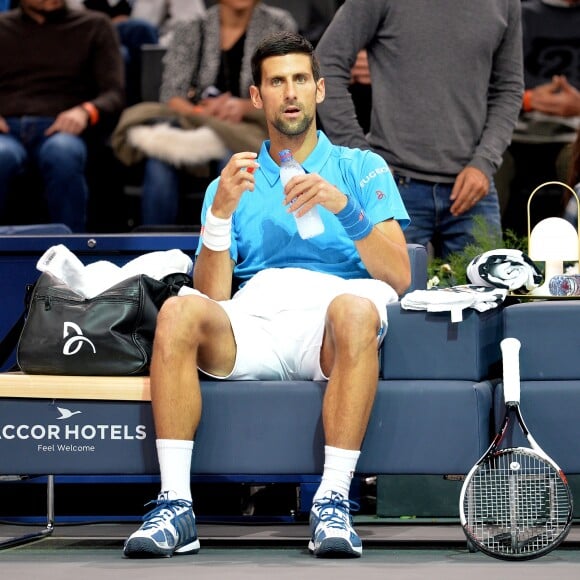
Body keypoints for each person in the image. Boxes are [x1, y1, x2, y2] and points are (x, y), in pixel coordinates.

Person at [123, 31, 411, 559]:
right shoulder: (232, 180)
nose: (291, 92)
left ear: (321, 89)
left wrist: (345, 208)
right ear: (257, 97)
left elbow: (398, 275)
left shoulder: (360, 167)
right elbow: (213, 297)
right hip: (254, 320)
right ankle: (175, 505)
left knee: (353, 308)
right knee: (179, 309)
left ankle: (332, 502)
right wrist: (220, 215)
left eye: (301, 79)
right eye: (277, 82)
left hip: (331, 321)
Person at [315, 0, 524, 259]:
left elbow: (509, 88)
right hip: (393, 185)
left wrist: (484, 162)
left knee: (491, 297)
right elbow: (324, 65)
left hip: (473, 187)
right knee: (390, 299)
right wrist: (364, 160)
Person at [119, 0, 298, 226]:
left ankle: (231, 246)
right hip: (195, 122)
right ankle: (155, 246)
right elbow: (172, 95)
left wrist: (242, 106)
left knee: (233, 160)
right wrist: (203, 112)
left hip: (250, 124)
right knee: (161, 158)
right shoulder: (191, 26)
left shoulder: (278, 24)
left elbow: (287, 88)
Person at [0, 0, 124, 232]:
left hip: (62, 127)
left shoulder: (94, 24)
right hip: (7, 128)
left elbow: (114, 93)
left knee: (62, 153)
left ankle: (71, 250)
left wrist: (85, 111)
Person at [500, 0, 580, 236]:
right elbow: (483, 84)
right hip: (513, 137)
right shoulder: (517, 13)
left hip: (573, 139)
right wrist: (527, 100)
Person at [80, 0, 160, 105]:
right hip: (92, 28)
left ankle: (148, 102)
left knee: (139, 35)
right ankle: (142, 103)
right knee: (138, 33)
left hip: (130, 30)